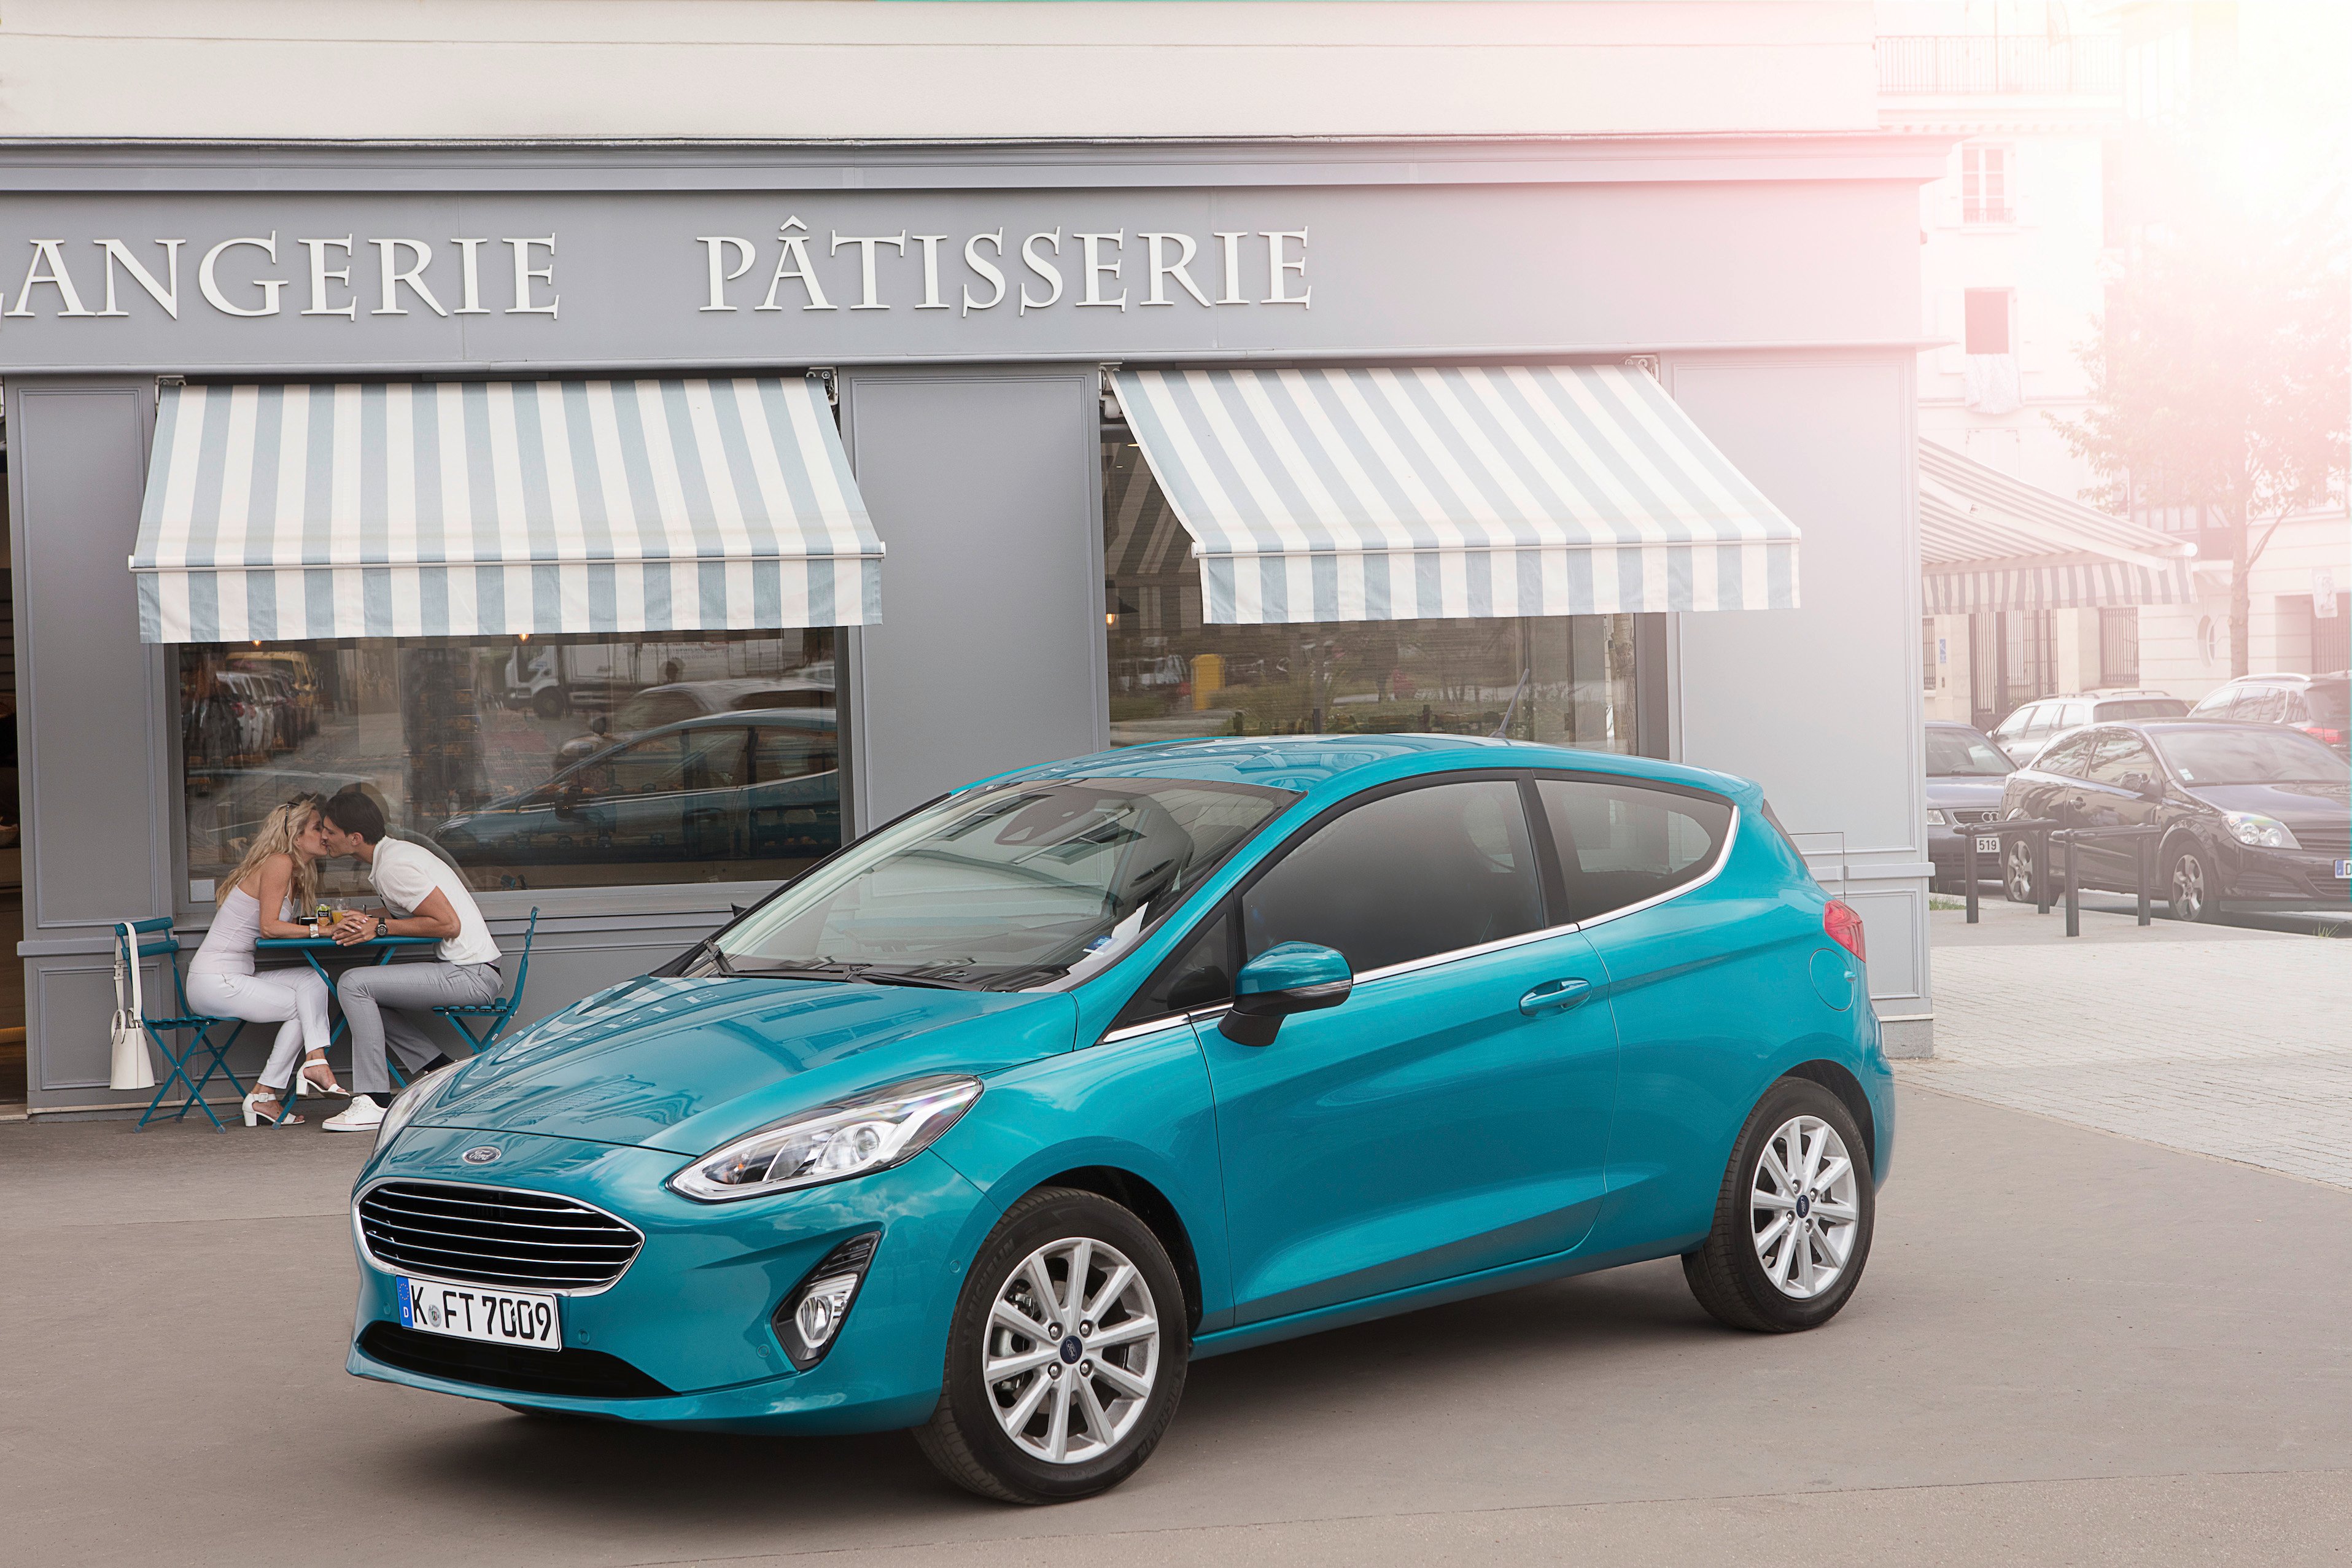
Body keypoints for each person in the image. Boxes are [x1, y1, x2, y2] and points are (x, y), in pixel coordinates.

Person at [313, 786, 502, 1133]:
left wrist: (378, 927)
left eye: (329, 831)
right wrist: (368, 915)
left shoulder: (394, 866)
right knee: (364, 997)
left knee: (354, 983)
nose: (323, 837)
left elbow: (447, 924)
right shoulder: (392, 857)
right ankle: (438, 1071)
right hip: (468, 970)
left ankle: (375, 1100)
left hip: (471, 975)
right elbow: (414, 908)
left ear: (355, 838)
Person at [184, 794, 345, 1128]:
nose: (326, 835)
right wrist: (324, 930)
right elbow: (269, 927)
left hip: (236, 976)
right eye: (318, 828)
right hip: (216, 982)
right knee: (304, 1006)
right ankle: (275, 1089)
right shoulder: (279, 862)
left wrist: (325, 926)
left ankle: (300, 1070)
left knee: (314, 981)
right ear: (296, 836)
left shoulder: (293, 870)